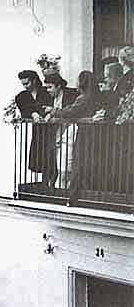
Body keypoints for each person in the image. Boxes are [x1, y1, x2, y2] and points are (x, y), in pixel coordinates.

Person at [47, 71, 101, 206]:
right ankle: (86, 194)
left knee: (78, 163)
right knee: (87, 163)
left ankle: (73, 197)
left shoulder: (83, 98)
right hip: (94, 133)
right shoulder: (97, 96)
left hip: (84, 133)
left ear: (82, 82)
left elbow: (70, 111)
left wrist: (52, 110)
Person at [15, 70, 54, 186]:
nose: (25, 86)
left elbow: (49, 106)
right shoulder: (22, 96)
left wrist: (41, 112)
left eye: (27, 83)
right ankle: (44, 183)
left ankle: (49, 182)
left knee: (51, 157)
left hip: (50, 129)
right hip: (37, 131)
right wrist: (33, 113)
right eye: (23, 84)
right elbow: (24, 108)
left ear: (34, 81)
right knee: (41, 156)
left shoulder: (45, 92)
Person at [41, 73, 78, 188]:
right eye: (46, 87)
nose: (47, 90)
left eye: (50, 87)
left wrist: (54, 113)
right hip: (56, 134)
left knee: (67, 162)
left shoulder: (71, 95)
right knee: (56, 160)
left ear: (58, 86)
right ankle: (53, 186)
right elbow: (42, 109)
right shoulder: (48, 97)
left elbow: (71, 112)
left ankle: (65, 189)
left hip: (69, 133)